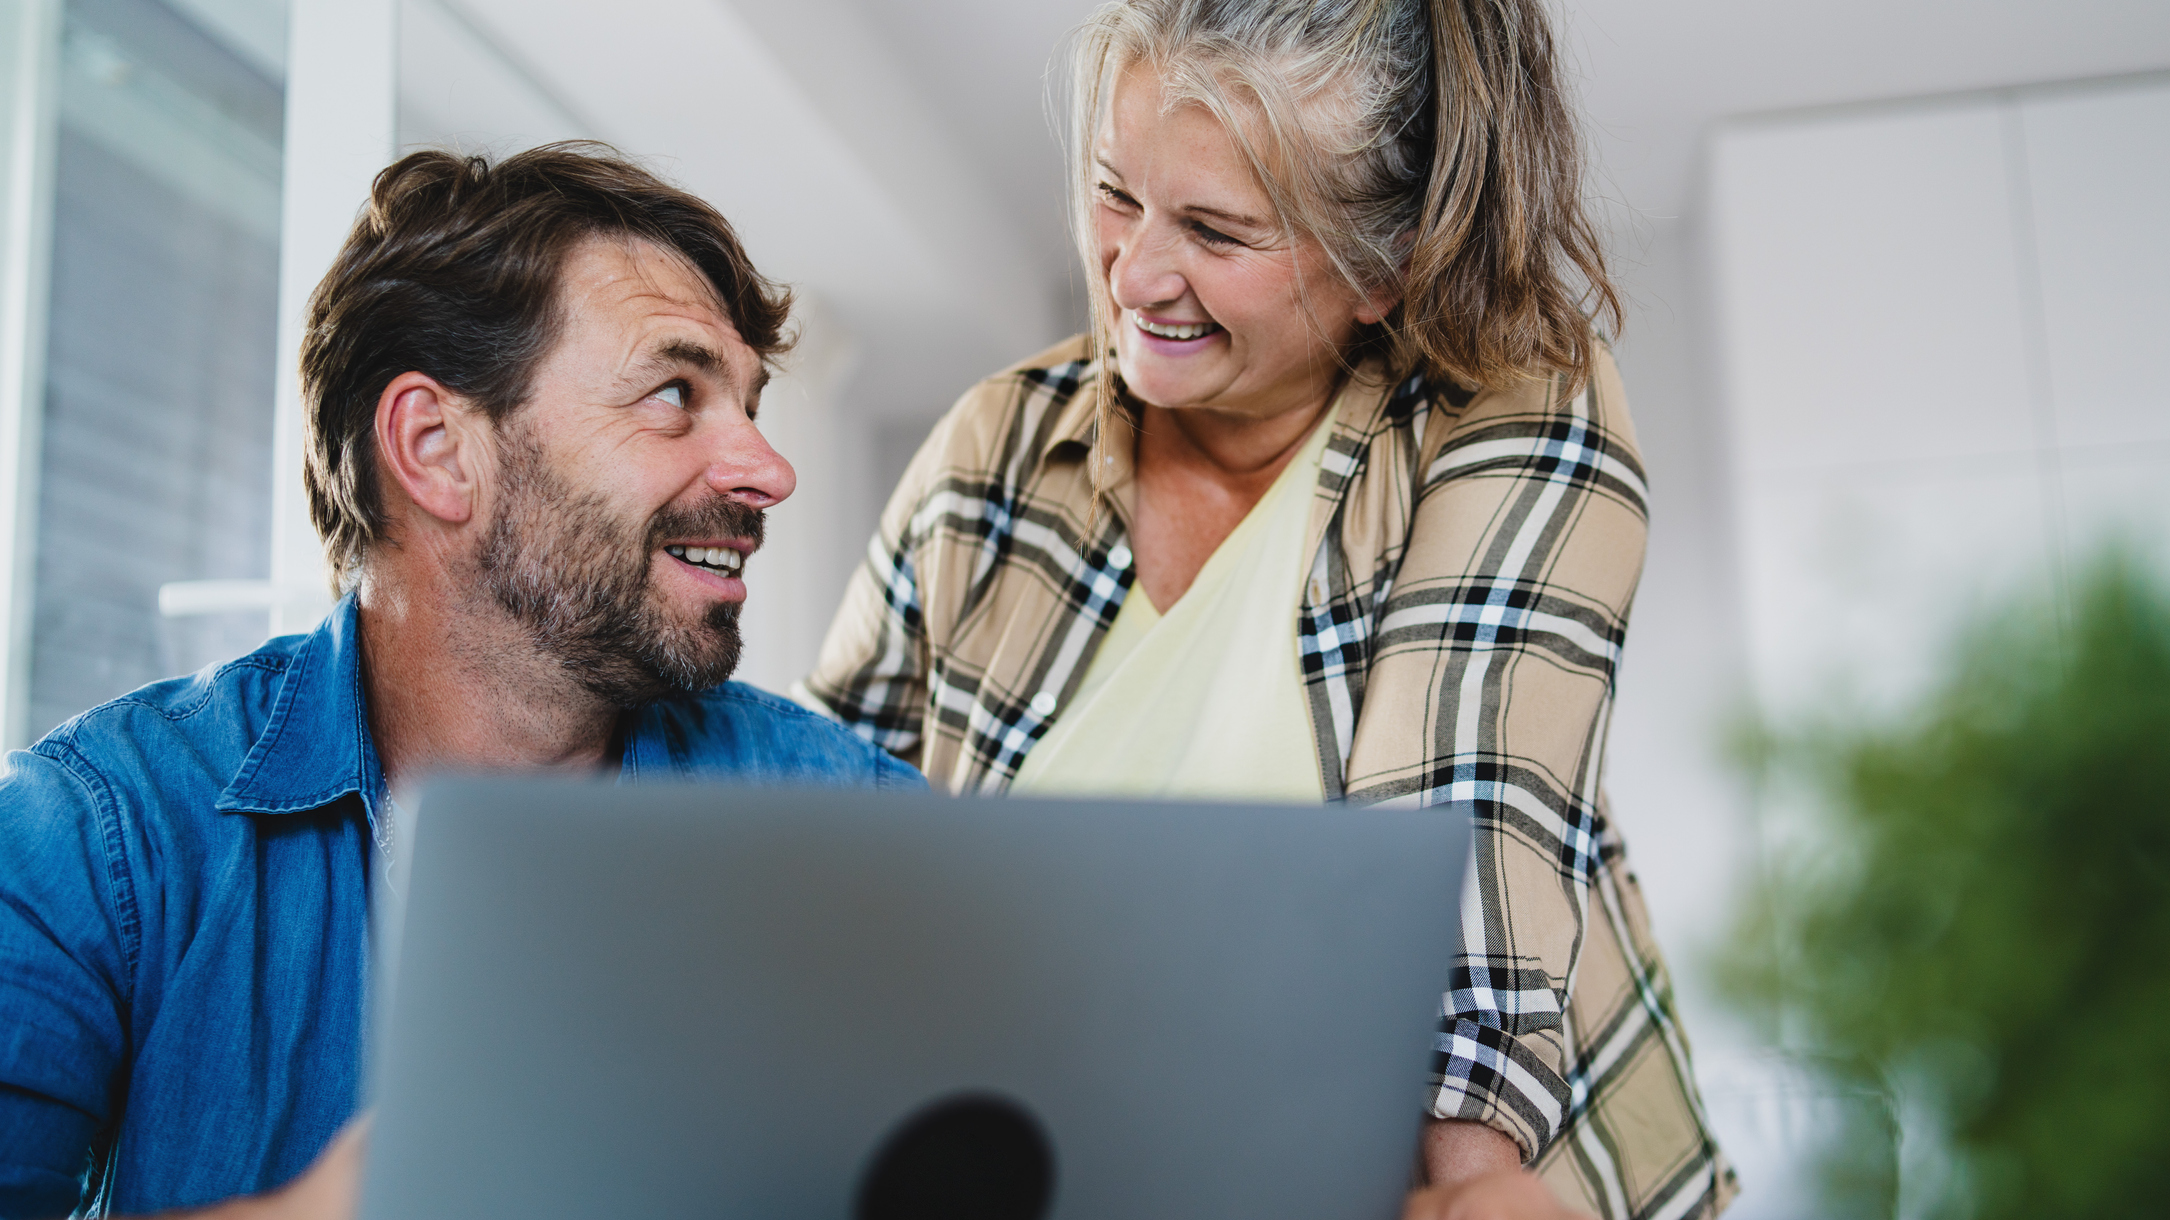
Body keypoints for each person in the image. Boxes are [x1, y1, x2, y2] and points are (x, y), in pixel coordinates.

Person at [800, 2, 1733, 1217]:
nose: (1132, 274)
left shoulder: (1505, 402)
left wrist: (1470, 1178)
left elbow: (1468, 801)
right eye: (1114, 193)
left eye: (1216, 231)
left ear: (1382, 275)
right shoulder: (996, 454)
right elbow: (820, 823)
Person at [0, 144, 919, 1219]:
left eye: (749, 404)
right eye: (675, 393)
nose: (769, 468)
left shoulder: (851, 823)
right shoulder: (98, 837)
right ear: (436, 448)